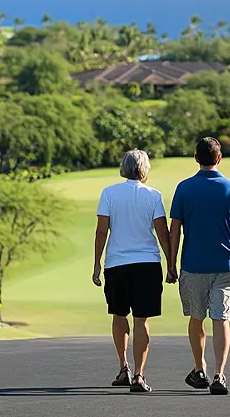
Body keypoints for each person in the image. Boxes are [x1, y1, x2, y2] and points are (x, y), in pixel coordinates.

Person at [170, 137, 230, 395]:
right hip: (225, 265)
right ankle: (219, 374)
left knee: (197, 318)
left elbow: (175, 230)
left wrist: (171, 263)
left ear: (196, 158)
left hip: (193, 265)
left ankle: (199, 368)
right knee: (221, 318)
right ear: (219, 158)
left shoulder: (184, 188)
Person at [92, 149, 177, 393]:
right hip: (147, 264)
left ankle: (123, 368)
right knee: (142, 319)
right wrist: (171, 263)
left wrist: (97, 264)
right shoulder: (153, 195)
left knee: (119, 315)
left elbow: (101, 232)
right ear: (145, 169)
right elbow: (162, 232)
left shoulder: (109, 193)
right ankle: (139, 375)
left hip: (117, 263)